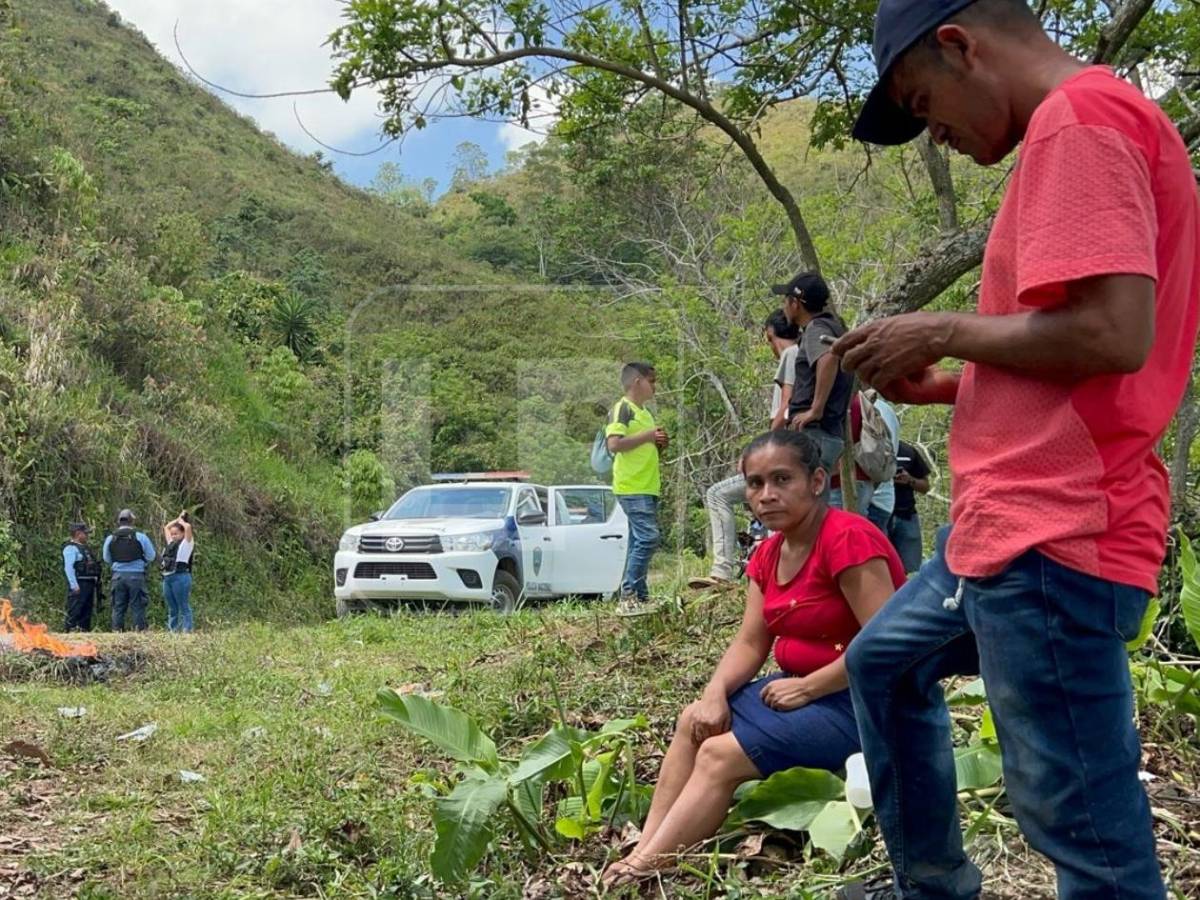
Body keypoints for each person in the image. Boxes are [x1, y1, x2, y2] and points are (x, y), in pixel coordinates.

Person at [835, 1, 1199, 897]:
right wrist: (955, 381)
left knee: (1074, 815)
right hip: (1002, 529)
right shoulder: (1080, 126)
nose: (938, 136)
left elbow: (1114, 336)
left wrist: (948, 328)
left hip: (1057, 530)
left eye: (925, 105)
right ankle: (934, 884)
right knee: (883, 663)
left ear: (960, 45)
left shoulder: (1082, 120)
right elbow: (1079, 363)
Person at [602, 430, 905, 888]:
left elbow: (887, 644)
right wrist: (713, 694)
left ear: (817, 481)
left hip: (863, 702)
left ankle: (647, 867)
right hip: (796, 691)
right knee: (695, 723)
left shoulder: (847, 540)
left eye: (782, 479)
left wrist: (809, 687)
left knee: (720, 756)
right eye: (755, 483)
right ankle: (650, 841)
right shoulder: (767, 553)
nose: (767, 495)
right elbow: (749, 642)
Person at [689, 310, 800, 590]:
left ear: (770, 335)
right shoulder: (813, 353)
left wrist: (756, 453)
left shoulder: (791, 357)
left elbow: (784, 413)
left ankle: (722, 572)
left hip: (783, 457)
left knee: (717, 494)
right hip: (804, 457)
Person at [605, 362, 669, 615]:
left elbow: (645, 446)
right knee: (648, 537)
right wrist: (649, 436)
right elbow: (614, 444)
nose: (655, 387)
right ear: (637, 382)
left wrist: (660, 442)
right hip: (631, 485)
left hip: (647, 485)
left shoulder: (645, 413)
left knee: (636, 541)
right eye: (652, 381)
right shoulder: (622, 409)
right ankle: (629, 594)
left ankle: (640, 597)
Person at [778, 272, 854, 480]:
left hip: (815, 433)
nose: (784, 306)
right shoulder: (834, 328)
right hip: (828, 434)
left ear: (795, 304)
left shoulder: (816, 329)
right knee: (811, 504)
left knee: (799, 503)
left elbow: (828, 357)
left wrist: (815, 410)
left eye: (786, 300)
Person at [829, 392, 900, 530]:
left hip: (843, 484)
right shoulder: (869, 406)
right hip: (868, 486)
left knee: (841, 535)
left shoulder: (846, 404)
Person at [103, 509, 156, 632]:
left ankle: (117, 632)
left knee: (118, 607)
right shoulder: (141, 537)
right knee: (138, 606)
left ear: (118, 521)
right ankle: (140, 632)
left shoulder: (111, 538)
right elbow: (151, 556)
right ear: (132, 521)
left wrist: (118, 565)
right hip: (136, 576)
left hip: (118, 577)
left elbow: (106, 558)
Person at [889, 440, 932, 574]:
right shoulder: (868, 447)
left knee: (912, 569)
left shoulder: (908, 451)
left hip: (907, 515)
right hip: (879, 515)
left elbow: (925, 486)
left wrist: (909, 480)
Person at [62, 522, 101, 632]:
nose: (87, 536)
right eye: (85, 533)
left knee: (86, 612)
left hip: (89, 584)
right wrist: (74, 585)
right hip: (79, 584)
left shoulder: (86, 548)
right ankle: (69, 632)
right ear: (78, 534)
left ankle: (84, 633)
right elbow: (69, 568)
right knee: (75, 611)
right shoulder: (70, 549)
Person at [160, 511, 195, 633]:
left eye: (176, 534)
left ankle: (187, 630)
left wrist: (182, 521)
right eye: (172, 534)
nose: (173, 536)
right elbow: (166, 528)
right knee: (172, 607)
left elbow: (188, 527)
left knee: (183, 605)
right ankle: (172, 630)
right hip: (168, 577)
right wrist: (176, 519)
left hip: (181, 576)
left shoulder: (187, 543)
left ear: (183, 534)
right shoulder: (171, 544)